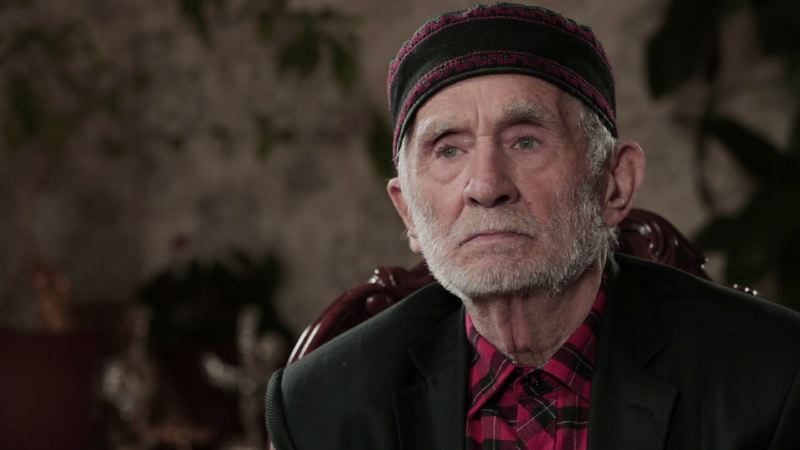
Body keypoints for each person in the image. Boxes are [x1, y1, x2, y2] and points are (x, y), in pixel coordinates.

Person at [265, 3, 800, 449]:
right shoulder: (321, 407)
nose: (486, 185)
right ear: (408, 212)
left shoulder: (773, 375)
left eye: (526, 140)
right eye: (448, 149)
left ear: (615, 183)